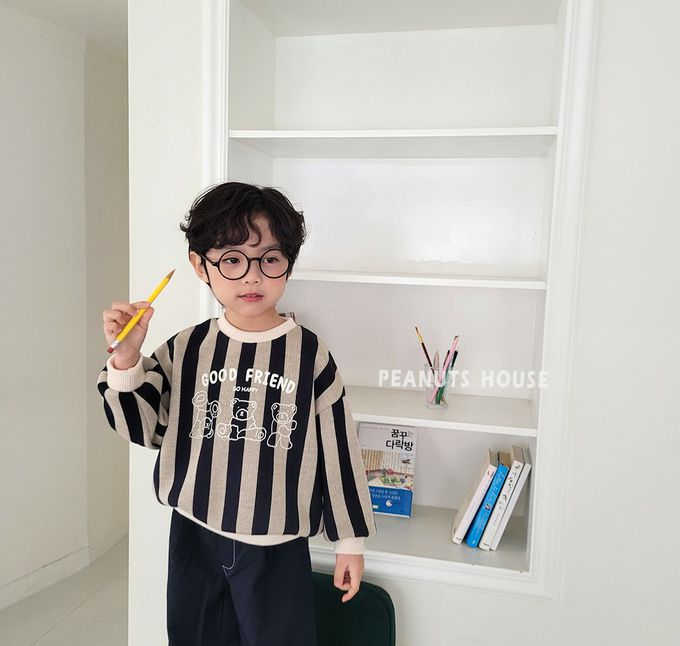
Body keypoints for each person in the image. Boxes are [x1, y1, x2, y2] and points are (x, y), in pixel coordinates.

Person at [97, 181, 376, 645]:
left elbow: (338, 451)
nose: (252, 277)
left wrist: (350, 542)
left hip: (276, 545)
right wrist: (127, 358)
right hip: (194, 532)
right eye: (231, 259)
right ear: (199, 265)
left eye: (270, 258)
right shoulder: (188, 347)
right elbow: (144, 427)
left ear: (289, 263)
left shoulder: (310, 355)